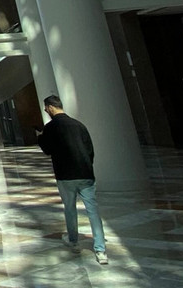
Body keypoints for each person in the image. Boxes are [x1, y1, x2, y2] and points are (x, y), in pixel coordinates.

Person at [37, 95, 107, 265]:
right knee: (93, 211)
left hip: (65, 175)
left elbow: (47, 149)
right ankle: (100, 249)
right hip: (85, 173)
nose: (46, 111)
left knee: (70, 208)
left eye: (46, 108)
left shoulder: (51, 127)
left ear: (51, 107)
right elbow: (90, 150)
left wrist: (39, 137)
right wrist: (87, 166)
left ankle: (73, 241)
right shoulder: (79, 125)